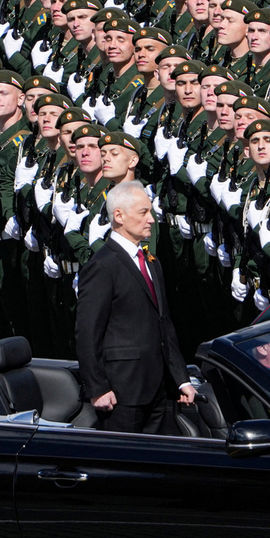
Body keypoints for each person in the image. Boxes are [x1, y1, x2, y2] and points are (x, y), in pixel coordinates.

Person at [75, 179, 198, 433]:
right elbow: (87, 331)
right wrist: (97, 388)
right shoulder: (102, 266)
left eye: (150, 212)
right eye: (143, 212)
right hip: (122, 392)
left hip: (157, 389)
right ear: (119, 216)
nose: (151, 219)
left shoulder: (151, 262)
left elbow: (164, 324)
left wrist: (181, 379)